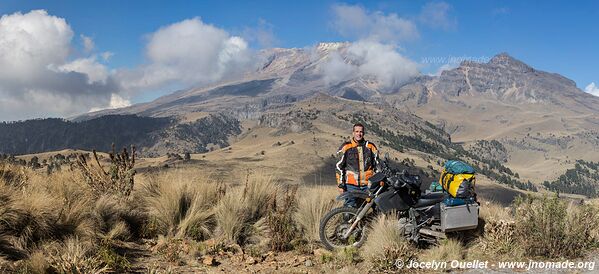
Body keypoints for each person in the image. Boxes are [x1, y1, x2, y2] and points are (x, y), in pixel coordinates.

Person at [335, 123, 380, 208]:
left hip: (368, 185)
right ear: (353, 133)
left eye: (361, 132)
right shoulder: (346, 147)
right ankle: (349, 221)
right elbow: (339, 167)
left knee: (374, 206)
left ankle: (373, 221)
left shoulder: (371, 146)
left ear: (364, 133)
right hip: (351, 185)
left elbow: (377, 166)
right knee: (349, 208)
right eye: (357, 131)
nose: (359, 134)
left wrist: (377, 181)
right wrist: (341, 185)